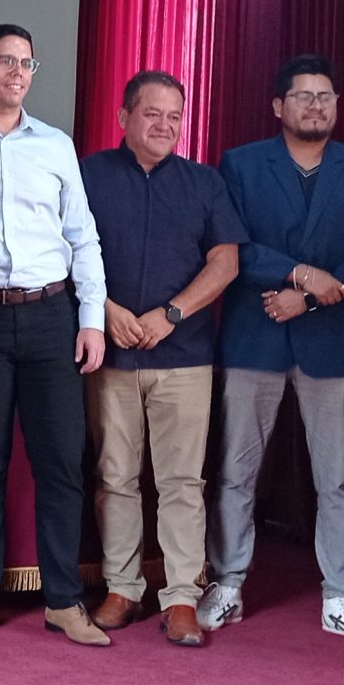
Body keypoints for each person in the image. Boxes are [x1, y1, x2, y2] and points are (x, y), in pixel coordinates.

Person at [0, 24, 112, 647]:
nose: (17, 72)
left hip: (51, 317)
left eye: (27, 63)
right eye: (5, 61)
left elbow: (82, 236)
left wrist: (91, 319)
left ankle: (64, 600)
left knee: (61, 462)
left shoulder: (55, 146)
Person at [210, 54, 344, 646]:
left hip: (335, 342)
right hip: (254, 336)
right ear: (278, 106)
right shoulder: (241, 164)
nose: (316, 106)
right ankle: (226, 584)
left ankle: (341, 597)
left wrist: (309, 298)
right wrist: (299, 273)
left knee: (336, 479)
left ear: (336, 105)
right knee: (236, 473)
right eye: (304, 96)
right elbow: (232, 246)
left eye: (325, 97)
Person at [79, 71, 244, 647]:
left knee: (181, 482)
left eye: (174, 116)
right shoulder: (89, 175)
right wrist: (105, 310)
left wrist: (171, 314)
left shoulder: (204, 183)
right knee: (115, 477)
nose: (164, 126)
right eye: (152, 114)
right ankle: (122, 587)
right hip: (110, 354)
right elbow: (64, 249)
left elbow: (225, 263)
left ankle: (180, 598)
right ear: (123, 117)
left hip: (185, 356)